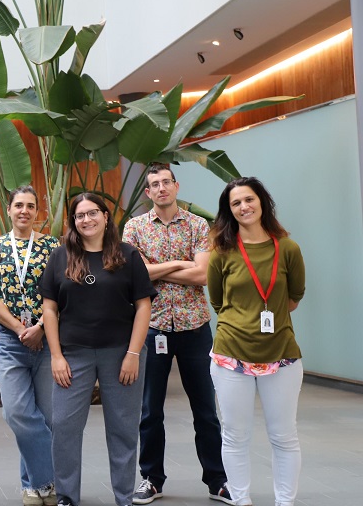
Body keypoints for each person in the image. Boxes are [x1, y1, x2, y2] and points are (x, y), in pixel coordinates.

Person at [122, 164, 232, 505]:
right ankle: (151, 479)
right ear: (148, 192)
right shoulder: (134, 227)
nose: (160, 188)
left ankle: (218, 480)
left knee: (206, 410)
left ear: (176, 185)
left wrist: (157, 270)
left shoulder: (199, 226)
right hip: (151, 326)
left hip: (194, 327)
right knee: (150, 410)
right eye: (153, 184)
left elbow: (201, 275)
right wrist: (179, 264)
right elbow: (135, 275)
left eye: (165, 182)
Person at [39, 192, 155, 506]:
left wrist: (133, 353)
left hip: (121, 354)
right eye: (80, 215)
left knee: (123, 428)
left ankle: (123, 497)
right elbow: (49, 310)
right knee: (63, 425)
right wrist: (56, 356)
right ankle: (66, 496)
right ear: (73, 222)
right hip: (73, 354)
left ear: (105, 216)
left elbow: (143, 306)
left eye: (93, 213)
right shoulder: (60, 256)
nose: (87, 220)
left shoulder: (128, 255)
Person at [207, 177, 305, 506]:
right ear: (229, 211)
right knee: (235, 436)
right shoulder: (221, 251)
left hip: (282, 355)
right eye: (236, 203)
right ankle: (241, 500)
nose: (244, 207)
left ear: (262, 202)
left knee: (284, 436)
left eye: (249, 199)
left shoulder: (287, 248)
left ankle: (285, 502)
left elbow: (294, 297)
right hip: (231, 354)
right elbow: (218, 301)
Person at [0, 185, 58, 506]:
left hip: (47, 335)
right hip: (7, 338)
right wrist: (18, 328)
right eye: (19, 205)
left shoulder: (52, 246)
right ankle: (53, 478)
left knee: (46, 416)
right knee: (16, 413)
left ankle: (32, 487)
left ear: (37, 211)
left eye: (30, 206)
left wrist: (40, 326)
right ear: (9, 209)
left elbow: (61, 292)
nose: (24, 211)